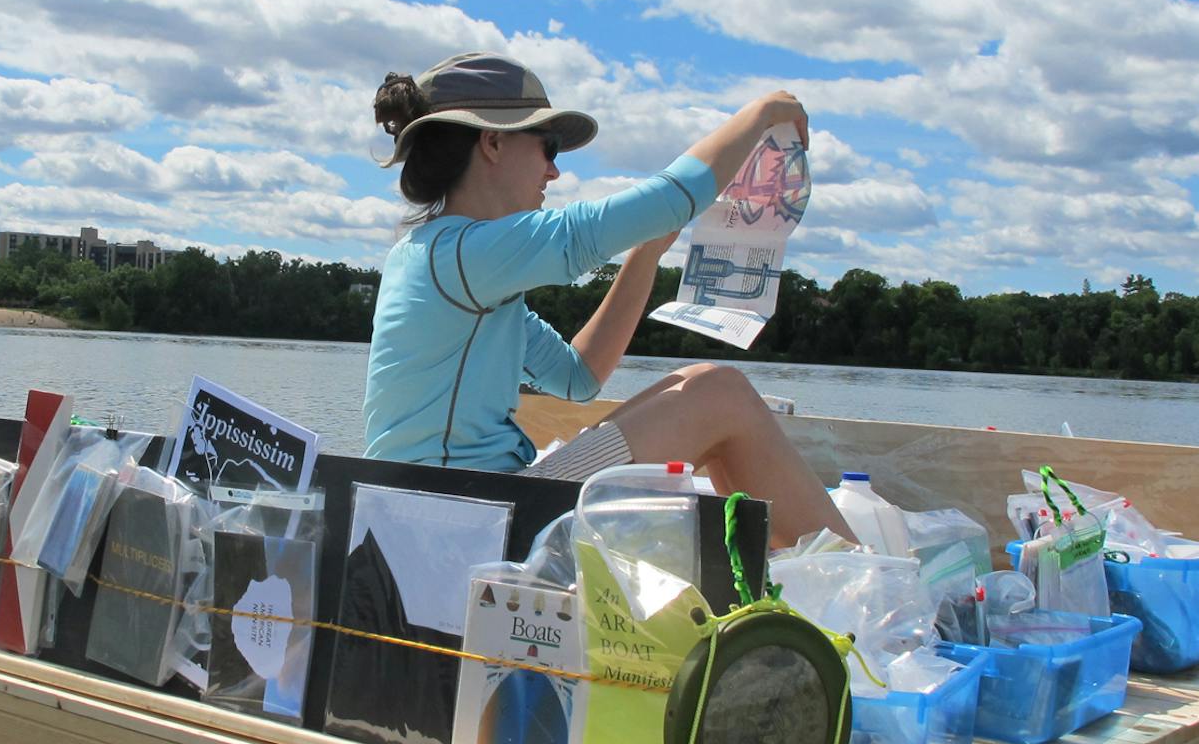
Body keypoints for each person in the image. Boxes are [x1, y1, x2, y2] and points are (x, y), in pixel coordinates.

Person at [362, 51, 849, 546]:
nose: (553, 171)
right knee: (719, 394)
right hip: (466, 521)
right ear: (492, 142)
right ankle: (863, 584)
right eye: (548, 147)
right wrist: (762, 113)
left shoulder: (443, 259)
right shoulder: (464, 254)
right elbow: (667, 198)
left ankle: (821, 580)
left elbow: (579, 376)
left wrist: (645, 255)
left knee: (696, 382)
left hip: (448, 514)